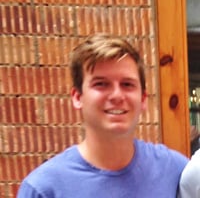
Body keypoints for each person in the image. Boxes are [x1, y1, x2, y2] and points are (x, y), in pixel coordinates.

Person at [17, 33, 188, 198]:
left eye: (127, 84)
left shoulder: (175, 172)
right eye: (101, 84)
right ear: (77, 97)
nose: (117, 96)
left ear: (143, 99)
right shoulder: (43, 189)